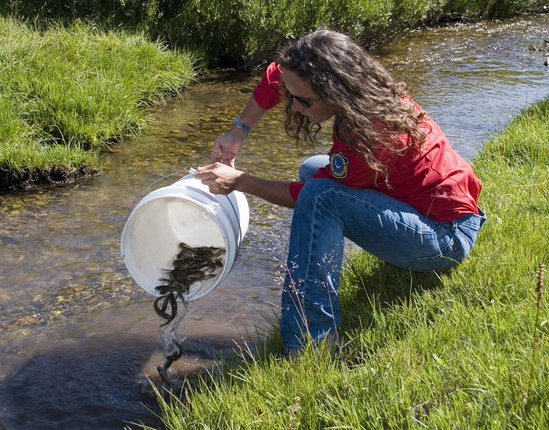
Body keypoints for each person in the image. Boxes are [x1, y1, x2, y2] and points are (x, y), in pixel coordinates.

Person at [193, 29, 486, 355]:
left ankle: (310, 342)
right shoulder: (356, 90)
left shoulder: (371, 133)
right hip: (422, 207)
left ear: (334, 91)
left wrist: (241, 181)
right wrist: (237, 133)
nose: (294, 106)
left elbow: (307, 196)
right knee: (312, 171)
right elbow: (277, 78)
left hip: (443, 237)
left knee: (320, 196)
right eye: (291, 96)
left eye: (303, 101)